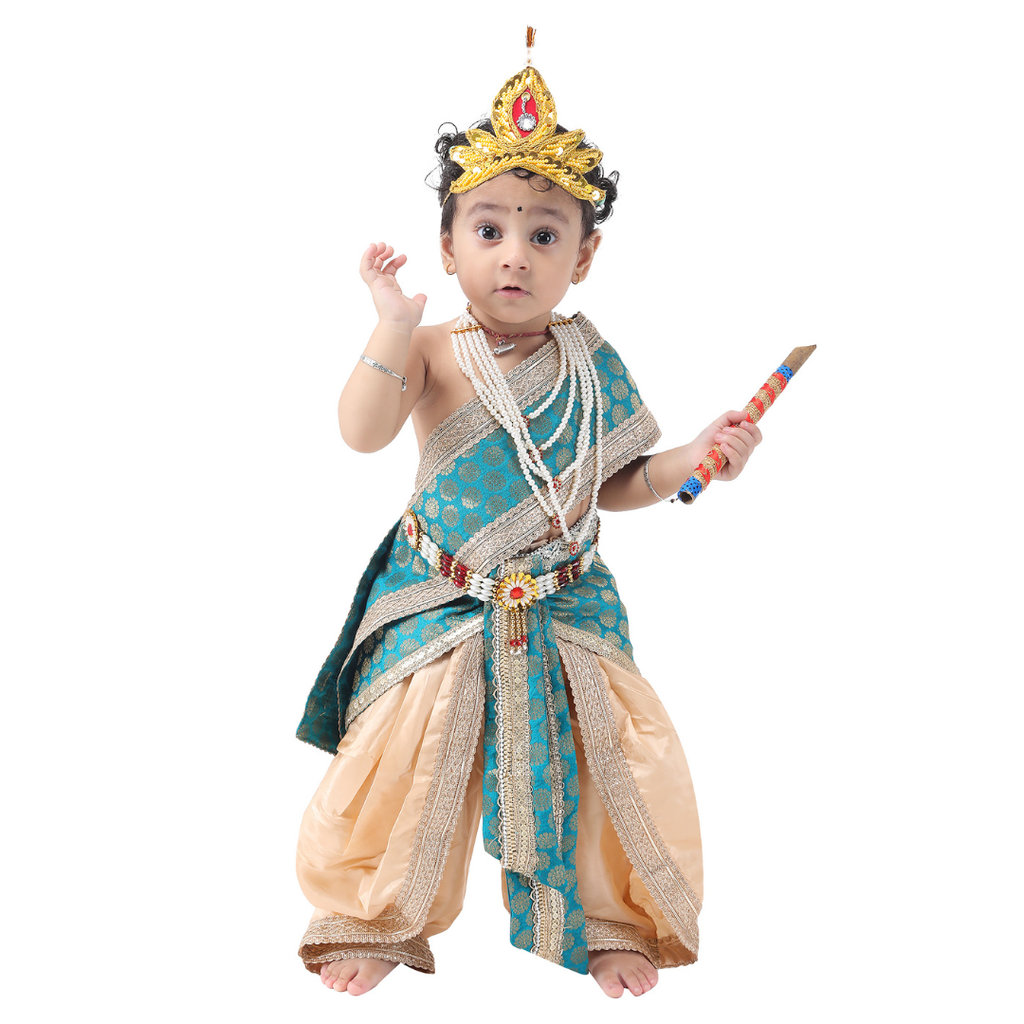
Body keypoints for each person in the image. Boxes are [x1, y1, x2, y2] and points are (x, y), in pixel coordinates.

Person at [294, 47, 762, 1000]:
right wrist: (390, 324)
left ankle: (604, 919)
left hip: (566, 596)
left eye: (545, 235)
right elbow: (361, 433)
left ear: (583, 257)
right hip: (442, 593)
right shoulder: (432, 349)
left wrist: (697, 457)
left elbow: (619, 482)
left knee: (605, 757)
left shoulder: (592, 364)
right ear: (449, 246)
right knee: (405, 755)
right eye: (490, 228)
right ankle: (378, 916)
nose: (515, 252)